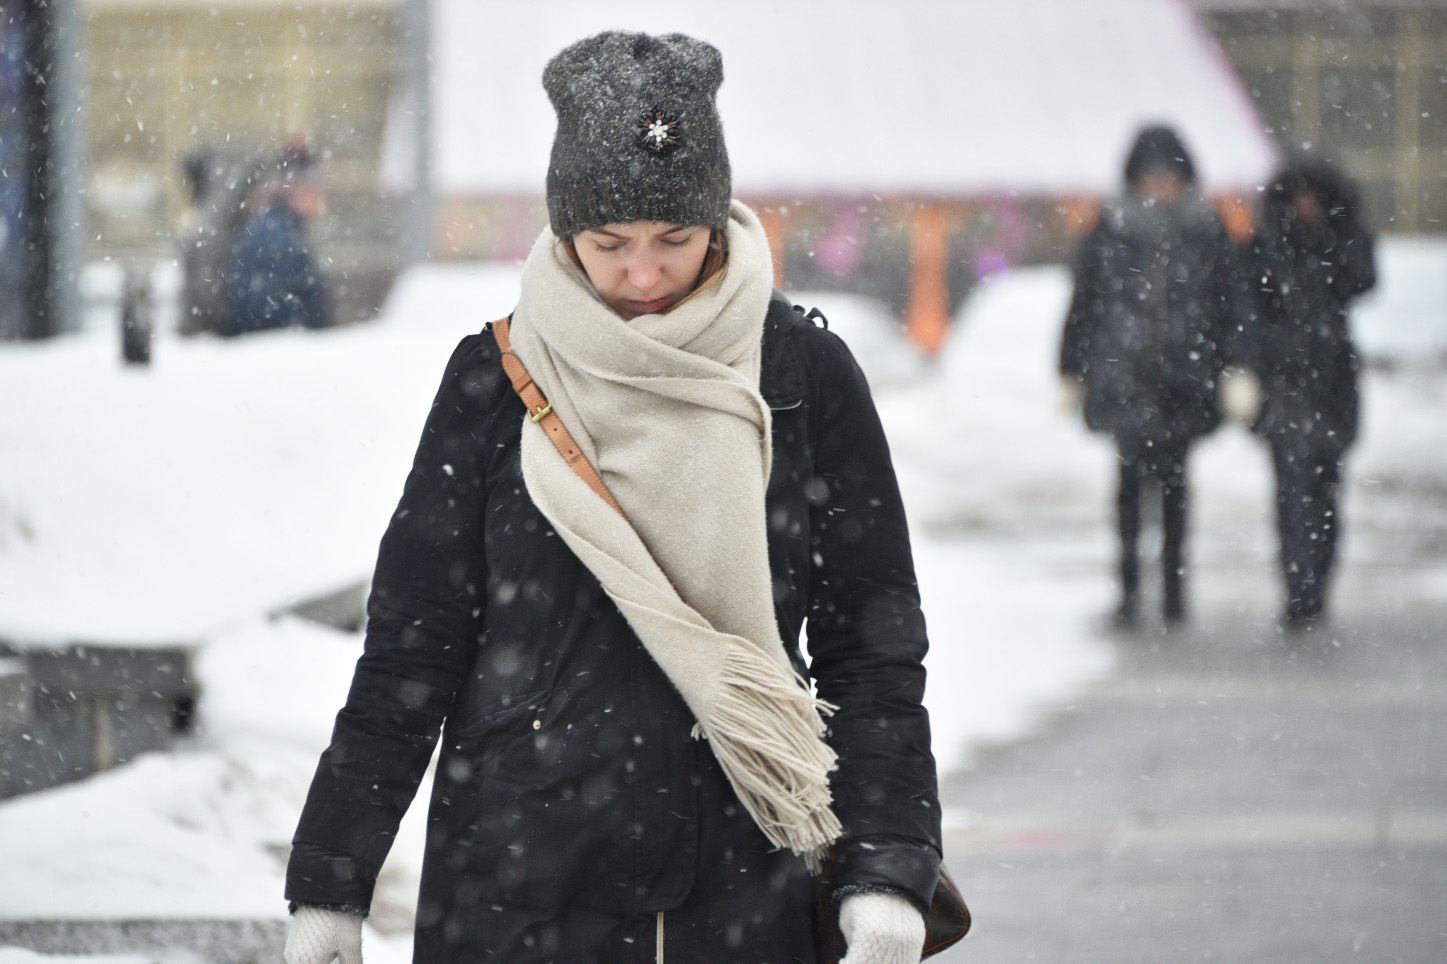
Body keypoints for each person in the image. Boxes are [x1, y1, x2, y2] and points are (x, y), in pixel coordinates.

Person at [282, 32, 941, 964]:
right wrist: (330, 881)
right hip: (517, 890)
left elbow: (870, 653)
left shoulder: (799, 377)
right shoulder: (494, 382)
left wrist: (886, 869)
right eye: (608, 243)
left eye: (674, 239)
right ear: (563, 235)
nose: (641, 275)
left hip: (747, 880)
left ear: (715, 222)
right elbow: (409, 650)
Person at [1059, 125, 1241, 628]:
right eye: (1151, 178)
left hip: (1185, 381)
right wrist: (1070, 368)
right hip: (1126, 380)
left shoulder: (1207, 229)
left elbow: (1229, 305)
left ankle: (1175, 593)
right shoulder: (1109, 229)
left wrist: (1233, 366)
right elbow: (1084, 304)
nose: (1159, 188)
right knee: (1129, 493)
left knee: (1178, 494)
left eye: (1168, 178)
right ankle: (1130, 591)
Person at [1236, 156, 1376, 630]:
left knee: (1326, 491)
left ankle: (1317, 584)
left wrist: (1335, 234)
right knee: (1291, 492)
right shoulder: (1268, 246)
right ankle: (1299, 590)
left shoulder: (1339, 244)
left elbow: (1364, 279)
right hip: (1285, 384)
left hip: (1332, 383)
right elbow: (1248, 307)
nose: (1307, 207)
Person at [220, 141, 330, 336]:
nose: (322, 197)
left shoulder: (275, 228)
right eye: (316, 188)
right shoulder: (276, 238)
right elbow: (264, 317)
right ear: (298, 189)